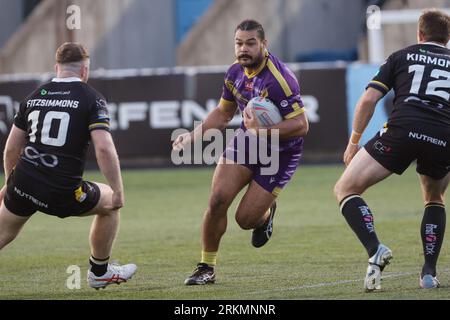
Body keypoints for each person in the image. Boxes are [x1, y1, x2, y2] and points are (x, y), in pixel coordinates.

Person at [173, 19, 309, 285]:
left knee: (245, 220)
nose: (243, 49)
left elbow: (301, 125)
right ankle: (206, 267)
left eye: (250, 43)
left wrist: (262, 132)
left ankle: (266, 215)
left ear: (264, 44)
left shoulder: (279, 80)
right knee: (217, 201)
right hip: (248, 141)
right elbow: (224, 113)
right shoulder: (235, 72)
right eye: (238, 43)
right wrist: (193, 135)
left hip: (280, 153)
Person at [0, 42, 137, 289]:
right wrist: (118, 191)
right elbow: (104, 149)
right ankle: (99, 272)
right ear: (85, 70)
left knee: (3, 234)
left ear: (56, 68)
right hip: (61, 190)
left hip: (23, 182)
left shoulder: (34, 96)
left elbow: (11, 148)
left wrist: (9, 182)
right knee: (110, 205)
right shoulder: (92, 98)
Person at [334, 9, 450, 291]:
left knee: (345, 189)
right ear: (447, 39)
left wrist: (353, 142)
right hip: (444, 134)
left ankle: (375, 249)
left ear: (420, 34)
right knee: (434, 197)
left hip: (403, 129)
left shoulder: (401, 56)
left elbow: (368, 99)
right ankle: (428, 273)